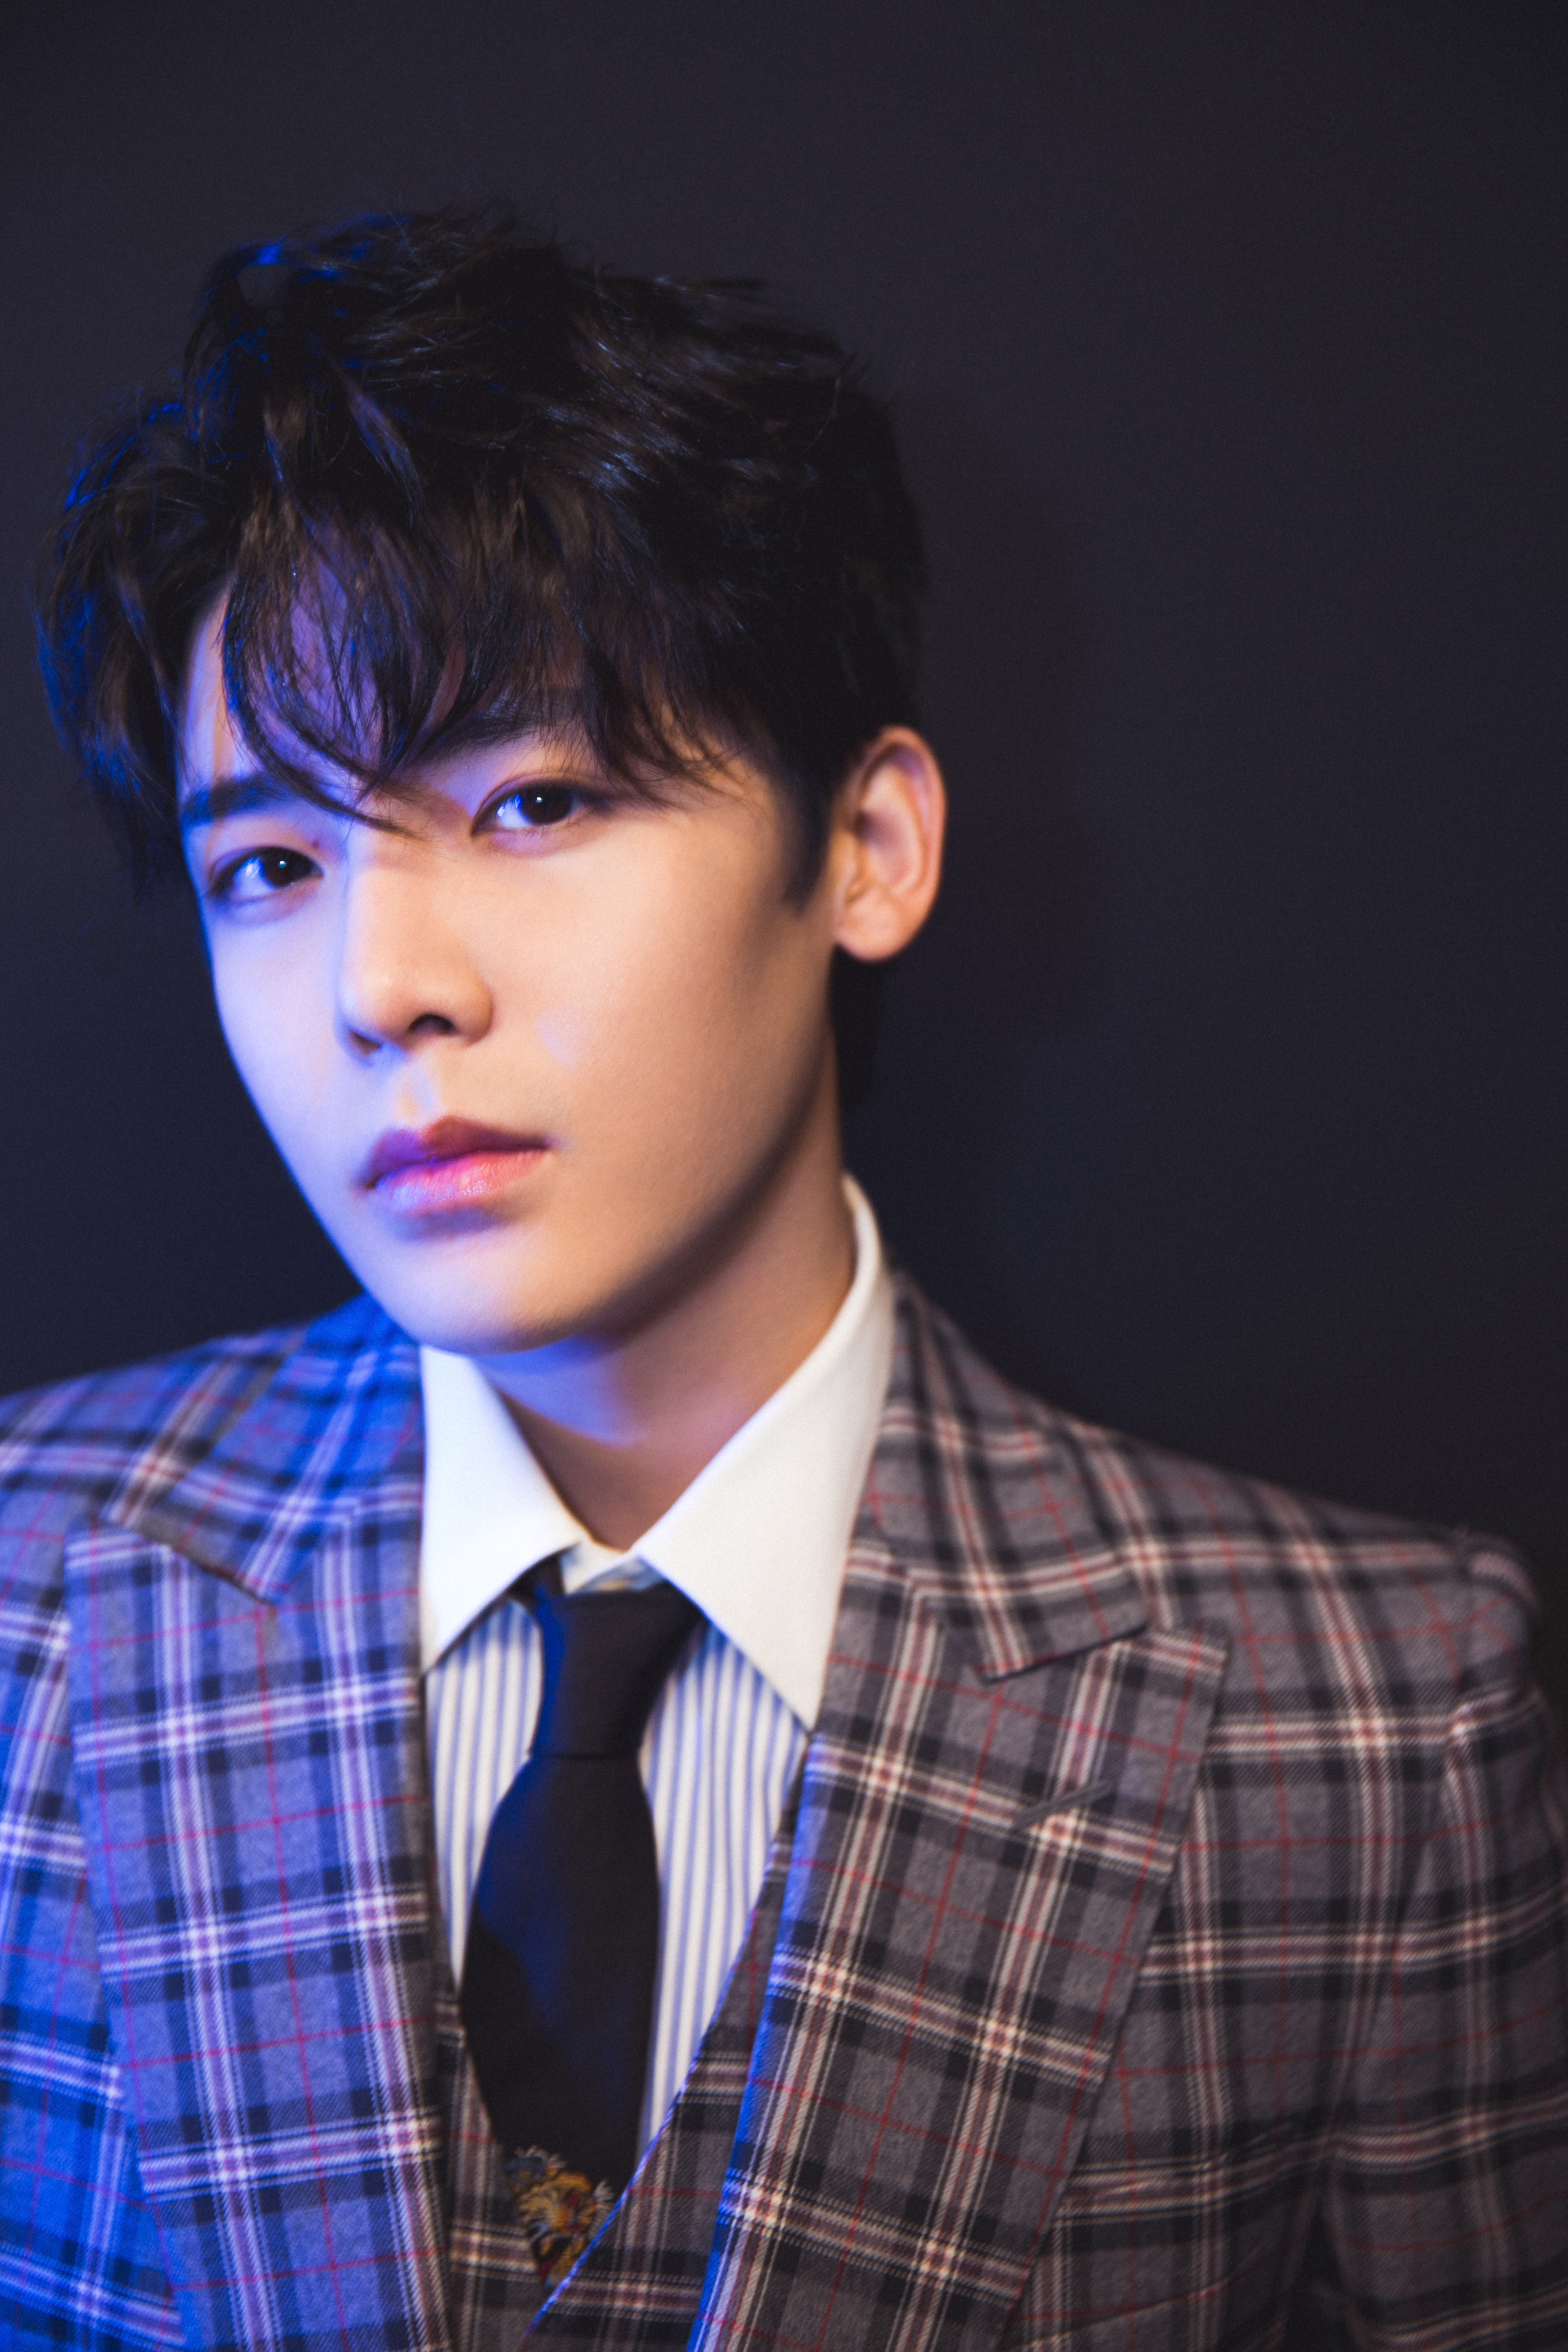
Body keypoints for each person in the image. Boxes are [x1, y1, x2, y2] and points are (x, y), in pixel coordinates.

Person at [3, 205, 1563, 2352]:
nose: (381, 982)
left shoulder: (1369, 1725)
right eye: (270, 861)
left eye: (535, 801)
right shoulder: (24, 1586)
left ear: (864, 848)